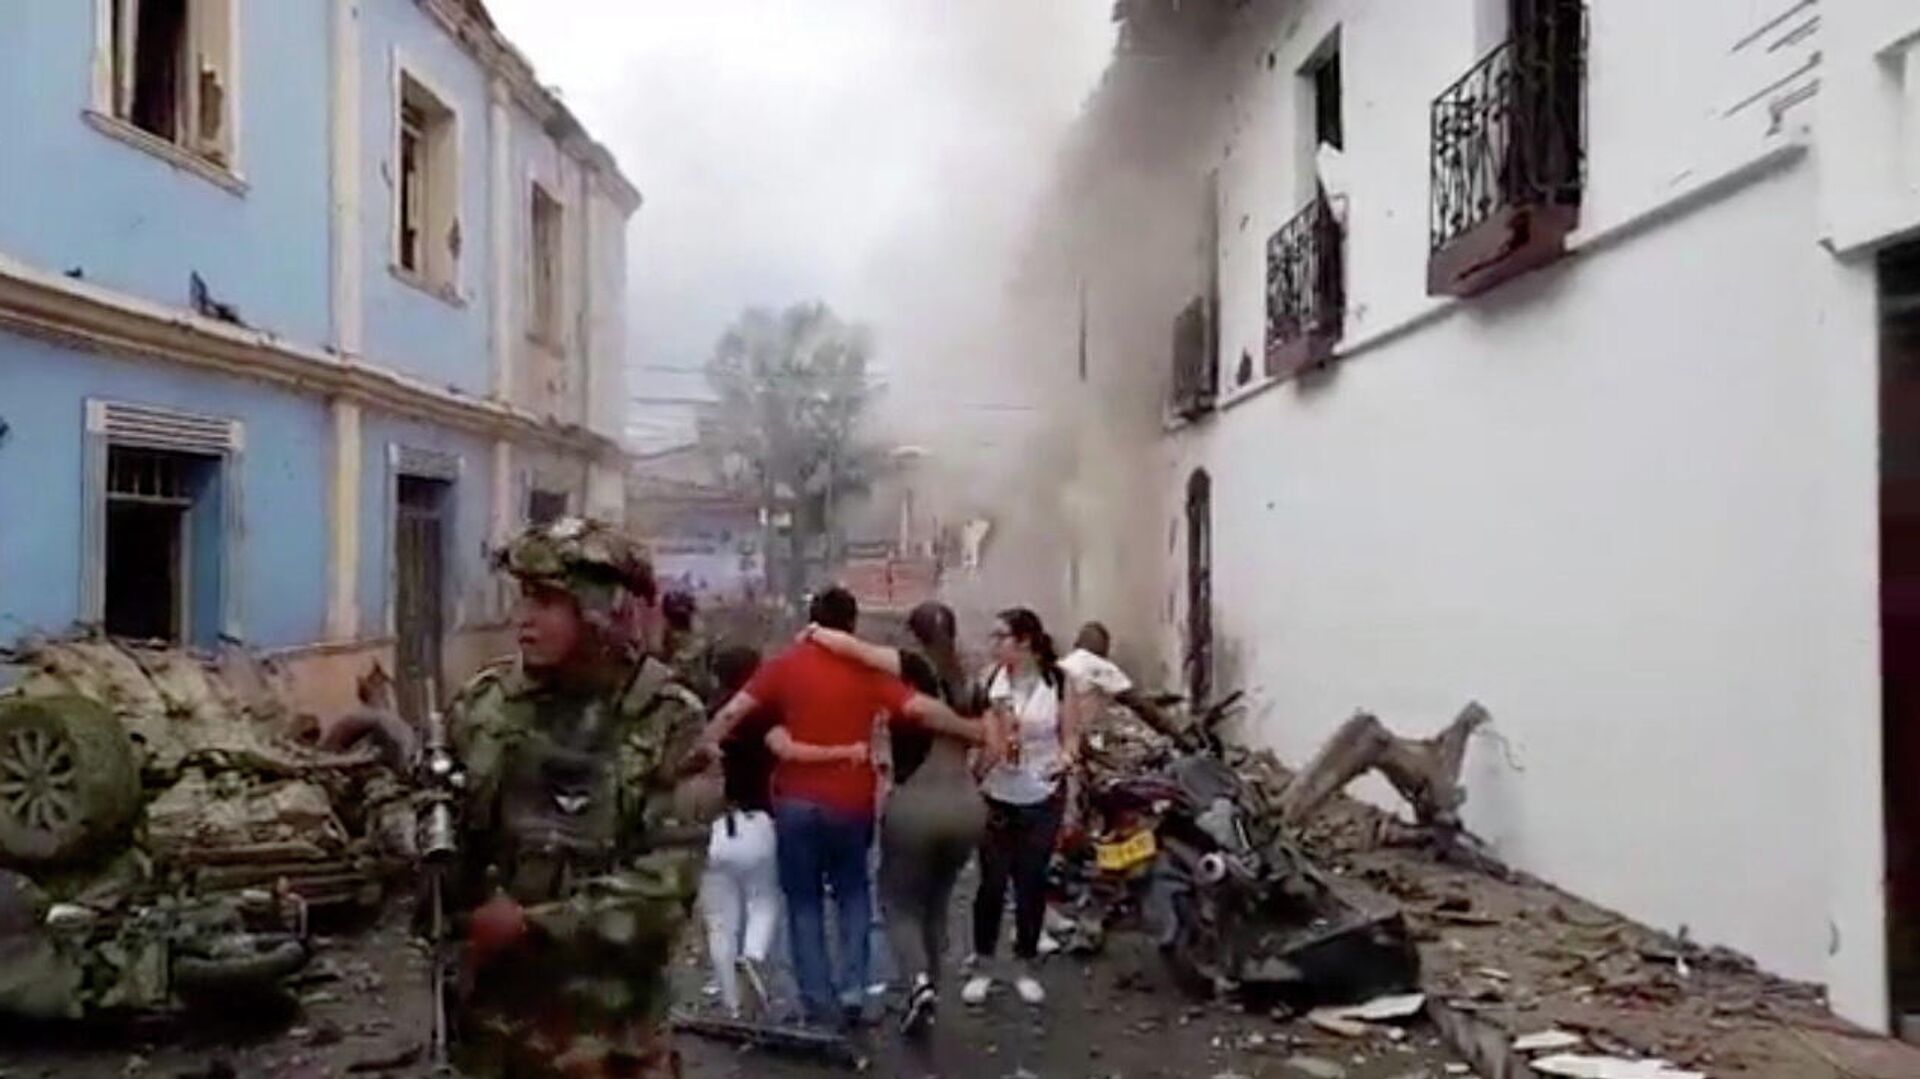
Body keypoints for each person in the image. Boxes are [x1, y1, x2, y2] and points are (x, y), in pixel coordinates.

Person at [446, 516, 714, 1079]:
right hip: (493, 1035)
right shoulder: (485, 705)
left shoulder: (669, 719)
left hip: (610, 1041)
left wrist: (532, 925)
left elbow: (665, 891)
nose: (524, 618)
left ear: (602, 610)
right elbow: (446, 831)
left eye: (547, 601)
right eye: (523, 597)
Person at [699, 587, 988, 1032]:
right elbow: (921, 710)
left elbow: (732, 712)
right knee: (853, 894)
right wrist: (971, 729)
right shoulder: (865, 671)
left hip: (795, 804)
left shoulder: (784, 666)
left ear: (812, 620)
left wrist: (699, 751)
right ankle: (854, 990)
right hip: (851, 802)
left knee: (804, 903)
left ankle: (817, 1001)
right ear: (851, 624)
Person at [802, 601, 988, 1037]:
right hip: (966, 804)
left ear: (914, 633)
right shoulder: (972, 681)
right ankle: (931, 989)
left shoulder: (915, 668)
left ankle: (918, 983)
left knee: (899, 901)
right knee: (938, 901)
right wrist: (974, 779)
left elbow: (858, 651)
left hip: (916, 803)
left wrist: (815, 633)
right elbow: (994, 743)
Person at [962, 607, 1081, 1009]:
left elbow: (1071, 736)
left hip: (1042, 792)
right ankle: (983, 964)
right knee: (991, 884)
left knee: (1032, 882)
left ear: (1025, 641)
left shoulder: (1058, 682)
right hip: (997, 792)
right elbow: (976, 736)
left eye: (1001, 637)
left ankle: (1024, 965)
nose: (994, 645)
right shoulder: (989, 682)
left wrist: (1065, 759)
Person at [698, 645, 781, 1019]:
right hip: (758, 821)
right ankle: (754, 954)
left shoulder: (706, 716)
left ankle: (731, 1004)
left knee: (719, 922)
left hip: (713, 827)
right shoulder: (764, 715)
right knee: (763, 900)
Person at [661, 589, 715, 702]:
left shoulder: (698, 630)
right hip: (682, 683)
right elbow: (667, 655)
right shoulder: (670, 630)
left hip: (694, 684)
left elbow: (703, 652)